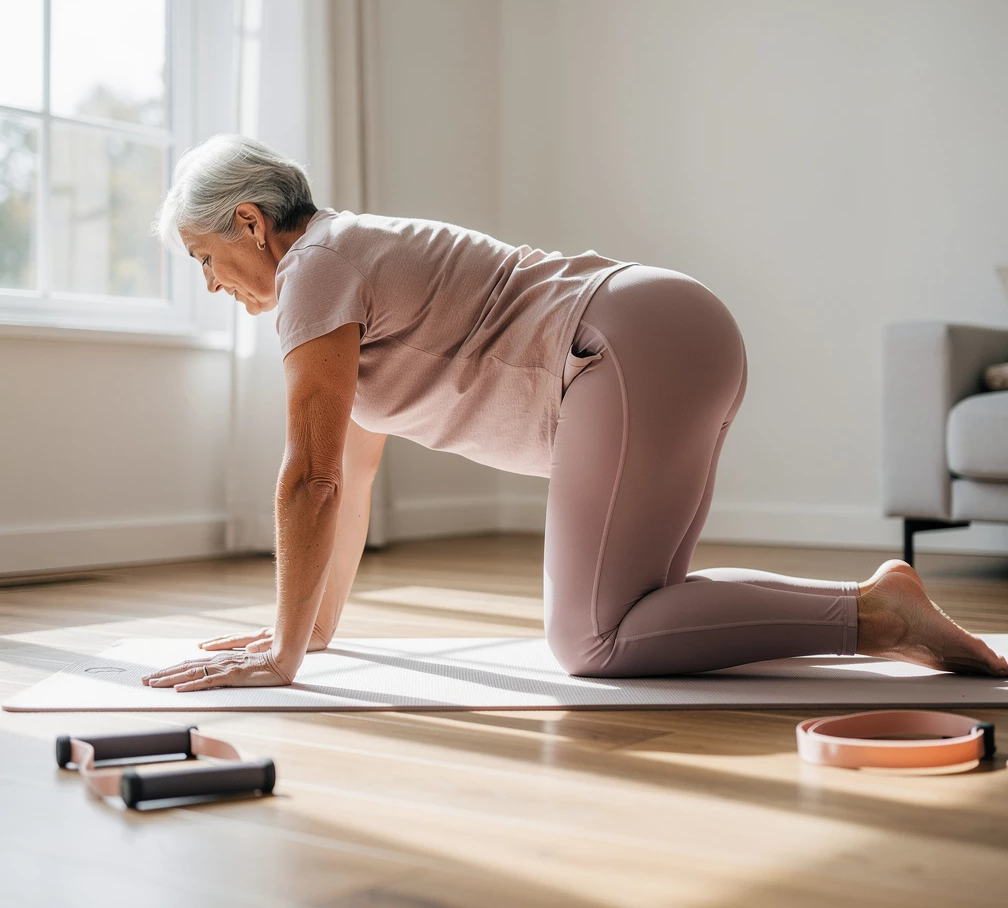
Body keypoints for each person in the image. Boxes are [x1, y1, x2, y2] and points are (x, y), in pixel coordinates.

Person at [141, 134, 1008, 693]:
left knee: (591, 641)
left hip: (627, 345)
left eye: (203, 258)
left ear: (250, 223)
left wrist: (281, 659)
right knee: (642, 611)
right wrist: (309, 631)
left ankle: (876, 617)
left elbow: (311, 477)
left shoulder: (315, 269)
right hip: (671, 332)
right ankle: (882, 603)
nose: (210, 284)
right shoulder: (347, 259)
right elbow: (351, 477)